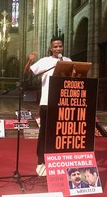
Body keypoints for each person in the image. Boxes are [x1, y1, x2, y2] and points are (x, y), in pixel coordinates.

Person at [24, 37, 72, 176]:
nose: (58, 49)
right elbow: (27, 72)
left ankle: (59, 160)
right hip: (47, 102)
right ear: (51, 48)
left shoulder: (68, 61)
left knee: (61, 133)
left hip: (63, 102)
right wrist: (30, 61)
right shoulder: (45, 61)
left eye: (60, 46)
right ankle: (41, 162)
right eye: (55, 46)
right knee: (44, 133)